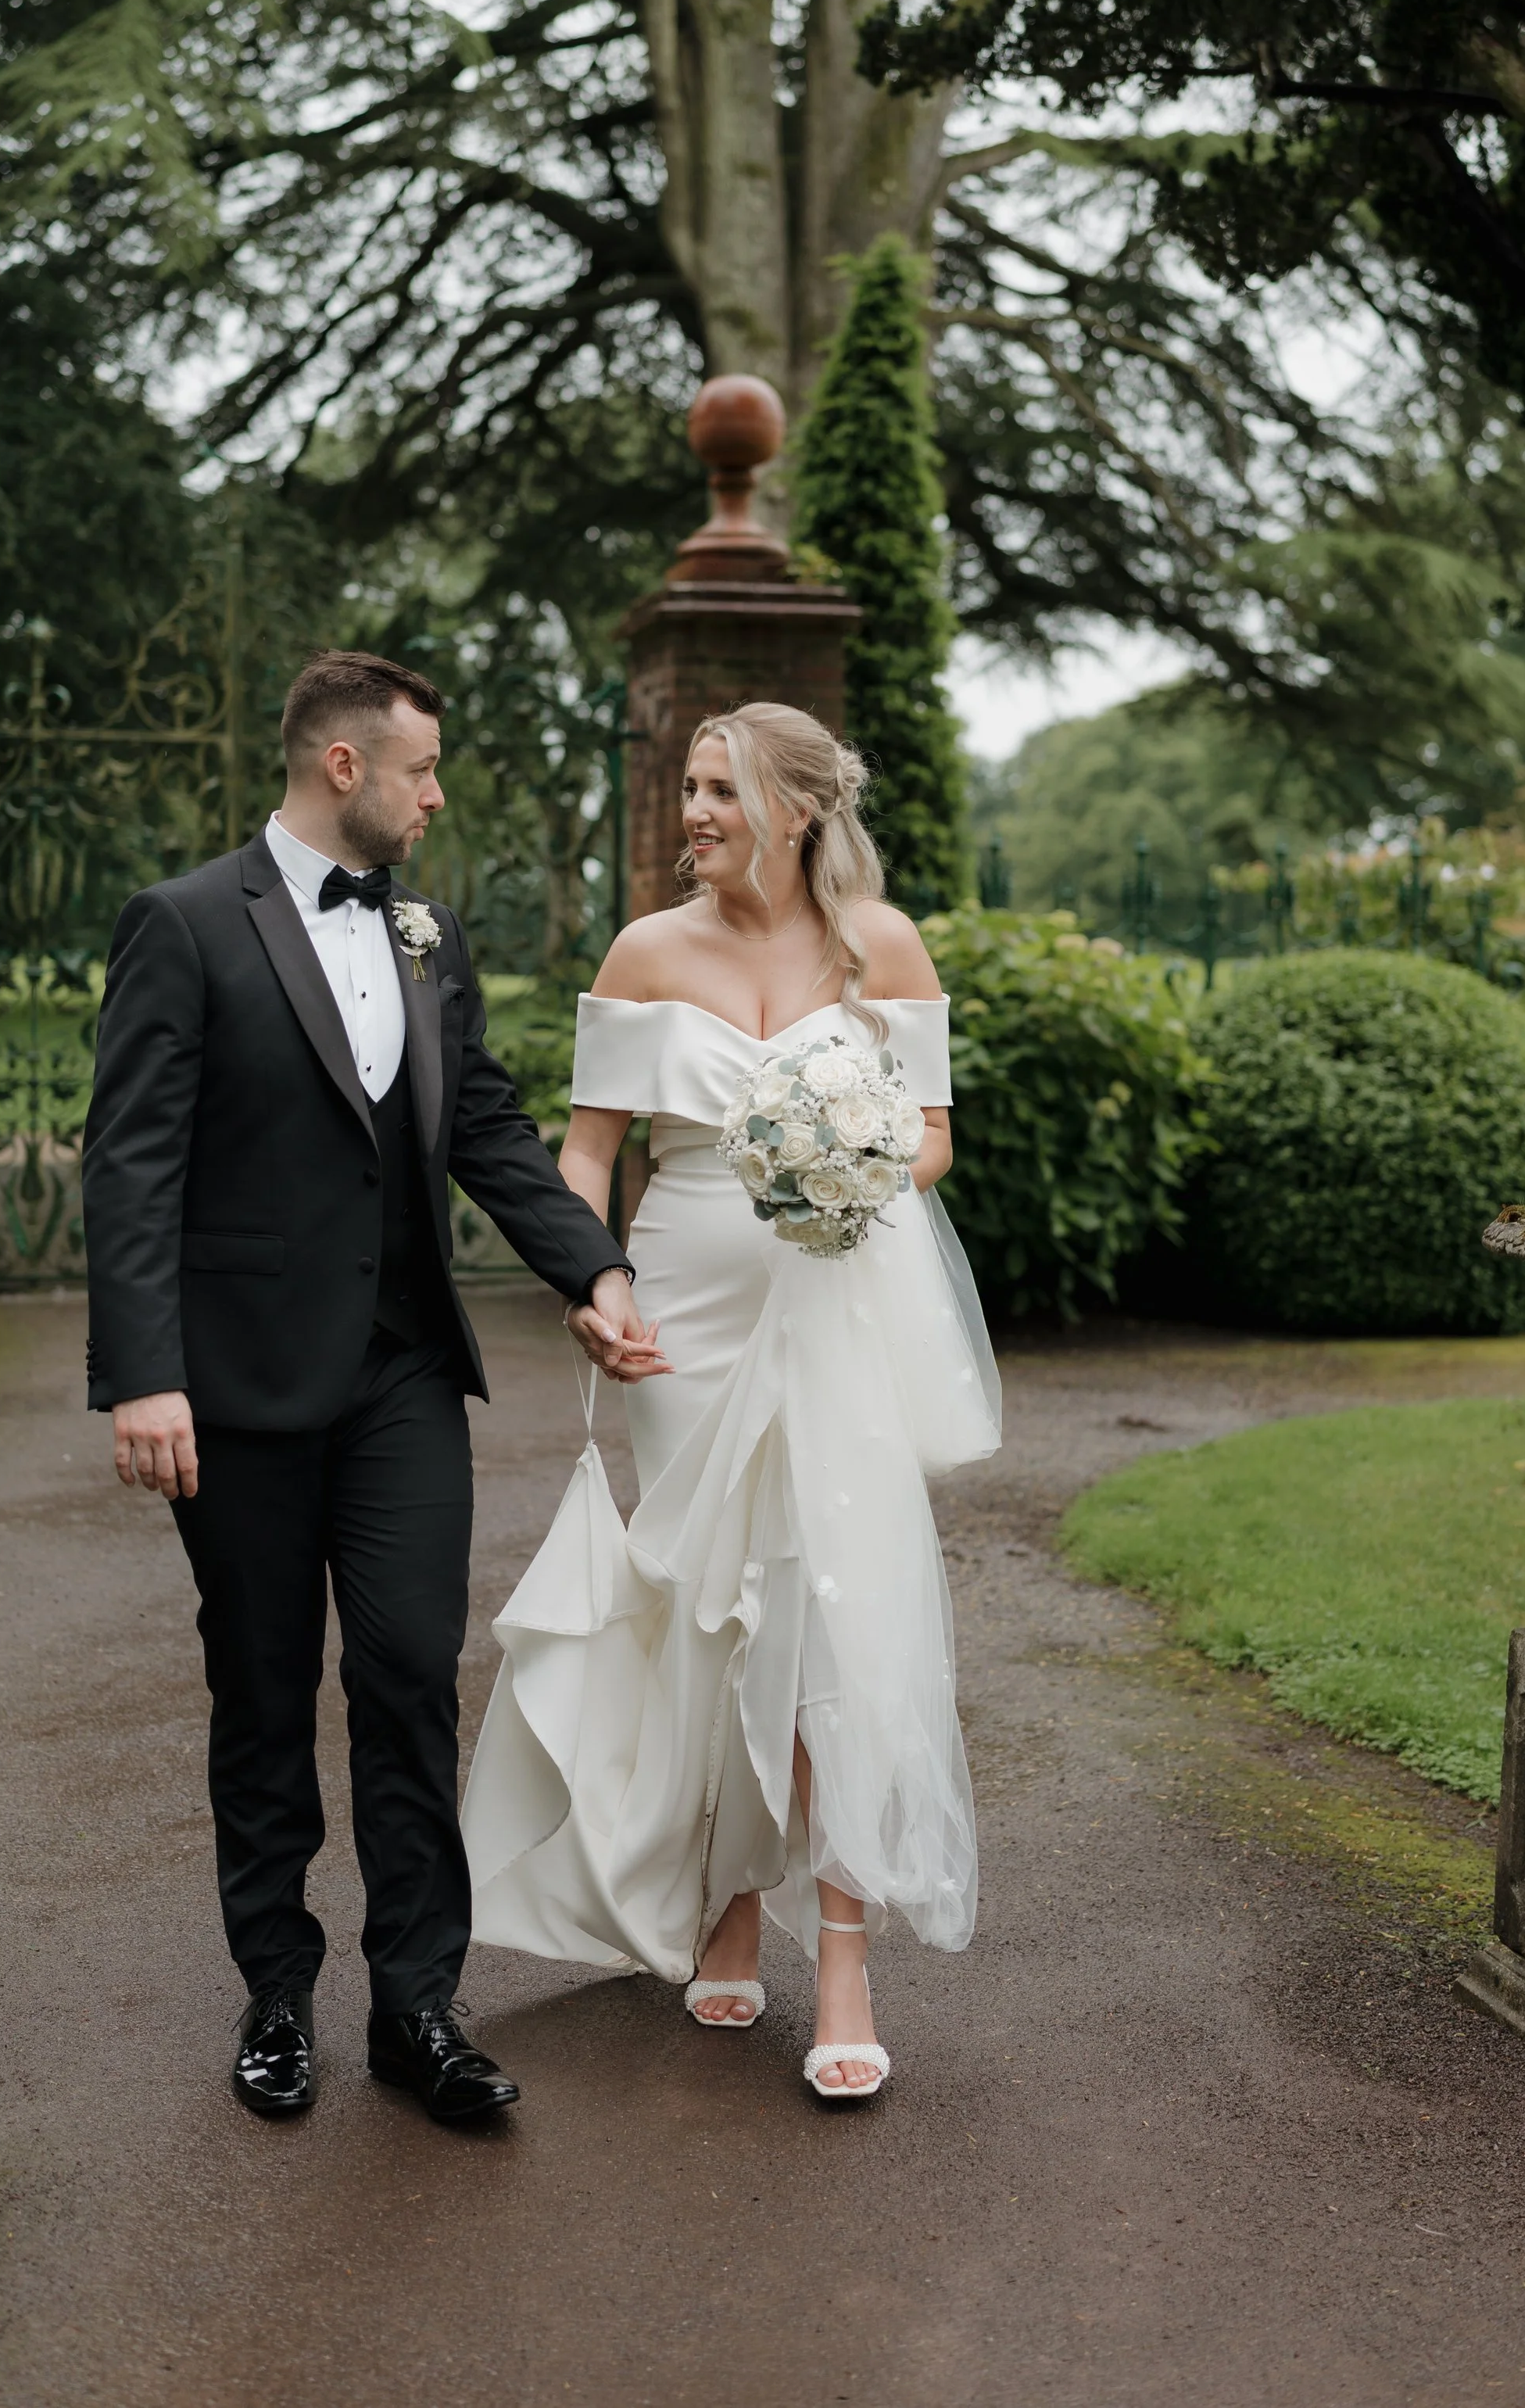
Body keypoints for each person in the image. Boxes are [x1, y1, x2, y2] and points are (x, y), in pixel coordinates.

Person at [81, 649, 646, 2127]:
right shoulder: (185, 924)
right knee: (262, 1693)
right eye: (422, 770)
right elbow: (133, 1163)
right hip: (243, 1388)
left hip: (401, 1375)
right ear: (345, 766)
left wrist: (590, 1266)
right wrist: (145, 1376)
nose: (436, 795)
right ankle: (277, 1991)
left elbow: (493, 1129)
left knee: (405, 1673)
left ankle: (418, 2007)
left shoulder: (425, 931)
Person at [464, 701, 1000, 2101]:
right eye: (688, 786)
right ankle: (724, 1904)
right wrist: (593, 1288)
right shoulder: (647, 950)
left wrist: (855, 1165)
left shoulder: (877, 943)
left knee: (830, 1610)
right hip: (686, 1312)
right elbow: (586, 1156)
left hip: (834, 1298)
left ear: (798, 807)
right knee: (714, 1607)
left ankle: (839, 1952)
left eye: (720, 789)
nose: (692, 810)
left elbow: (933, 1134)